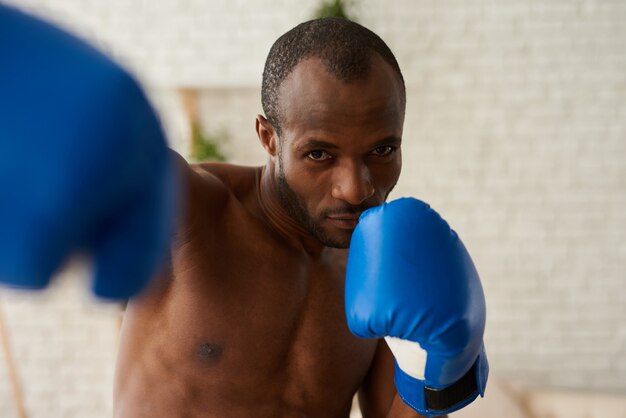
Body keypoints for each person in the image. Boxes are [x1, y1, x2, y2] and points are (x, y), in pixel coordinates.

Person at [0, 5, 486, 417]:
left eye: (381, 151)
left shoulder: (383, 263)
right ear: (268, 137)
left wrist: (441, 364)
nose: (356, 190)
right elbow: (107, 160)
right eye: (319, 154)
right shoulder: (195, 212)